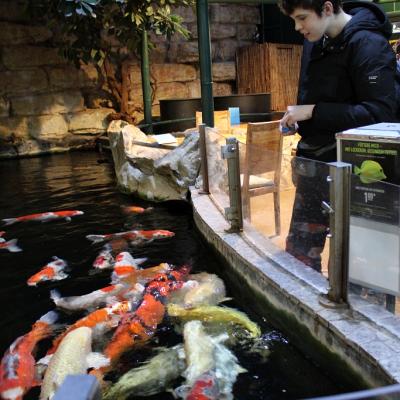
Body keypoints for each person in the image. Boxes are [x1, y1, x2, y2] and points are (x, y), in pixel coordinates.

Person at [278, 0, 397, 272]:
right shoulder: (314, 41)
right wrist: (299, 119)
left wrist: (314, 112)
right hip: (314, 165)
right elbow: (313, 101)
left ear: (328, 9)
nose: (297, 27)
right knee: (299, 257)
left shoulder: (368, 44)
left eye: (302, 18)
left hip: (359, 173)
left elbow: (382, 113)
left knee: (354, 269)